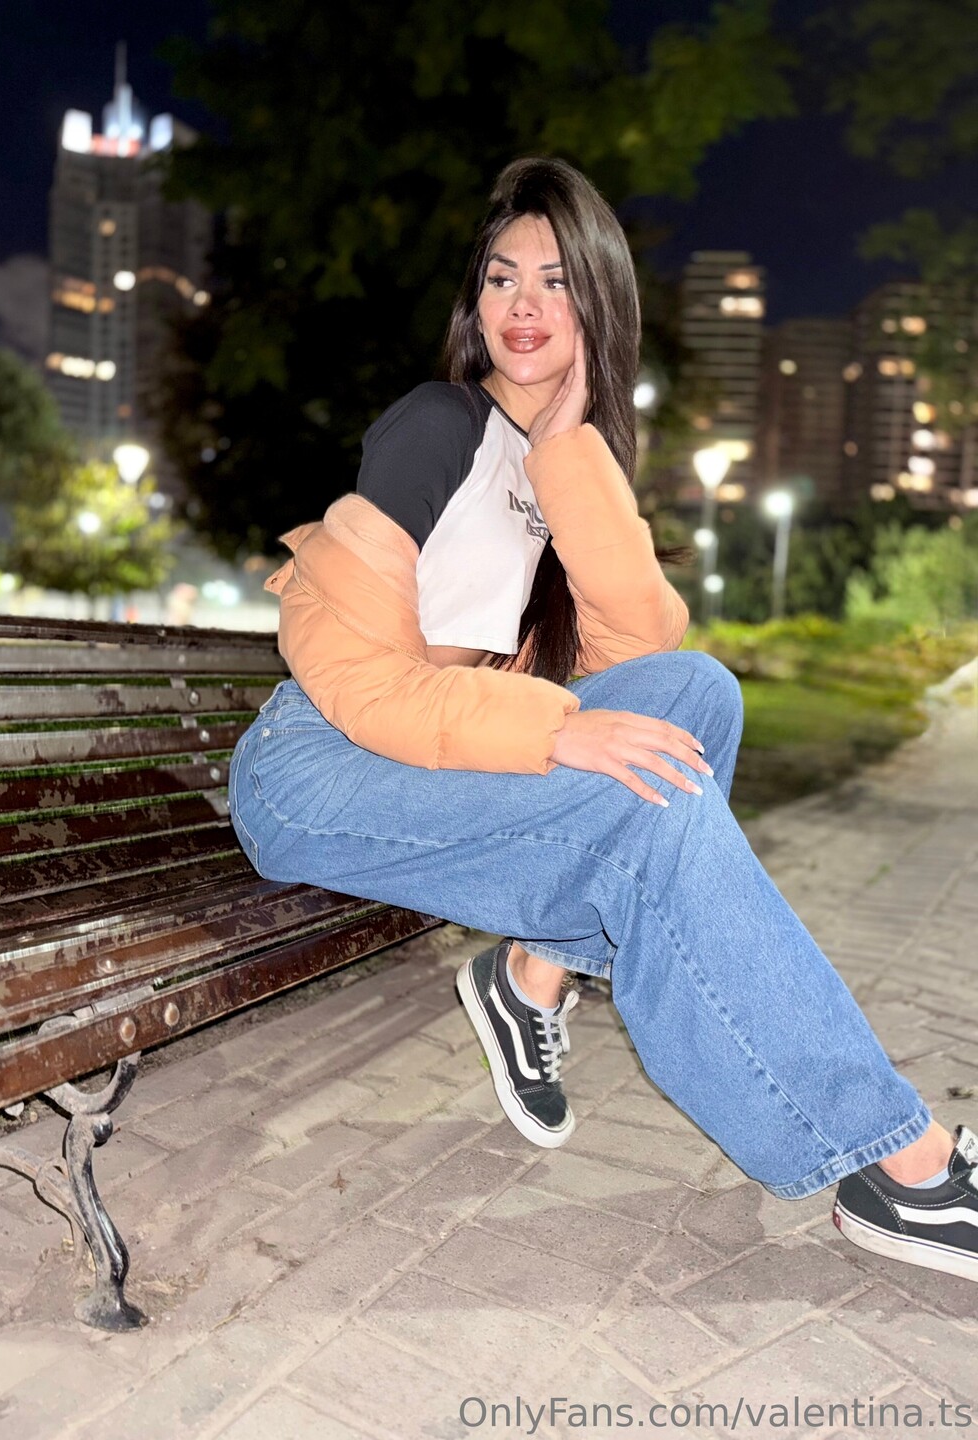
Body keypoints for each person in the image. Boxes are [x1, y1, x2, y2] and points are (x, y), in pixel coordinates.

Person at [229, 157, 978, 1284]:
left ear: (598, 306)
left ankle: (535, 974)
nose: (523, 306)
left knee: (697, 697)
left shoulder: (551, 460)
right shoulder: (435, 427)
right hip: (319, 768)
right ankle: (899, 1163)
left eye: (557, 282)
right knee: (650, 816)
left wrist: (570, 454)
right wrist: (553, 734)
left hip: (423, 757)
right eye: (501, 279)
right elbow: (358, 680)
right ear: (475, 301)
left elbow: (642, 651)